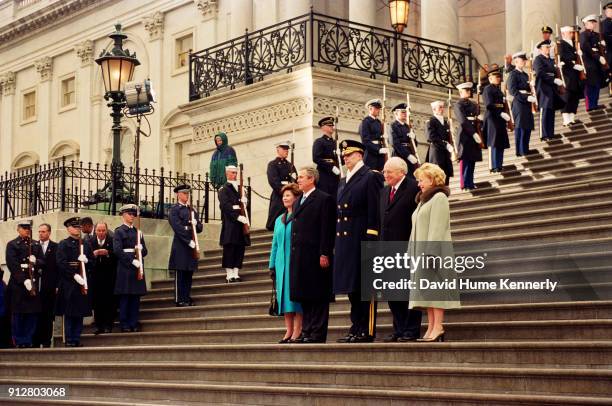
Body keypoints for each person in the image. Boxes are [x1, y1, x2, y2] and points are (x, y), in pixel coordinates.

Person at [334, 140, 384, 343]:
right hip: (347, 241)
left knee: (365, 287)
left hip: (362, 237)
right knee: (352, 288)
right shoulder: (344, 180)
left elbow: (375, 210)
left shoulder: (370, 176)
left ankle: (367, 329)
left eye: (349, 155)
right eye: (344, 156)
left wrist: (372, 238)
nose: (345, 158)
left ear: (360, 155)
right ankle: (356, 327)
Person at [409, 163, 460, 342]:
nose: (418, 184)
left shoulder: (439, 197)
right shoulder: (424, 200)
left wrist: (431, 254)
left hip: (433, 253)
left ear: (431, 180)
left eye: (421, 180)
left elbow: (437, 227)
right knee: (428, 291)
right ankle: (431, 326)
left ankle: (438, 326)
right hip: (420, 252)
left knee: (436, 290)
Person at [379, 157, 422, 342]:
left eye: (389, 171)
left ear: (401, 172)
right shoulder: (385, 191)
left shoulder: (413, 188)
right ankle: (398, 328)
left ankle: (411, 329)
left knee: (407, 291)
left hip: (407, 247)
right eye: (384, 171)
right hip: (387, 249)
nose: (385, 174)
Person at [290, 168, 335, 343]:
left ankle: (317, 332)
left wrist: (325, 252)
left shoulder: (324, 199)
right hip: (300, 257)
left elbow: (327, 228)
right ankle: (306, 330)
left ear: (311, 179)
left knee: (318, 296)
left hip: (316, 255)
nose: (298, 180)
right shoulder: (298, 201)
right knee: (305, 296)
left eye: (301, 177)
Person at [269, 183, 304, 343]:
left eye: (288, 195)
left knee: (294, 298)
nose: (285, 198)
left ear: (296, 198)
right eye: (283, 196)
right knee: (283, 298)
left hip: (295, 262)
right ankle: (288, 330)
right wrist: (272, 264)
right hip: (281, 264)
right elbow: (275, 244)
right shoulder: (278, 220)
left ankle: (298, 329)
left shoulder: (300, 215)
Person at [55, 217, 94, 347]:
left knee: (80, 312)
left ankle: (76, 337)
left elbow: (92, 263)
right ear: (68, 228)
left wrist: (87, 261)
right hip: (69, 283)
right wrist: (74, 275)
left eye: (78, 226)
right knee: (70, 312)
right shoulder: (63, 244)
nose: (77, 228)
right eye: (74, 226)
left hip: (82, 282)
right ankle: (70, 339)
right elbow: (61, 263)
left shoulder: (85, 244)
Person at [6, 220, 43, 348]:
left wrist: (36, 261)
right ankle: (19, 340)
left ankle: (28, 339)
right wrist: (23, 280)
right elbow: (13, 265)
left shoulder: (35, 245)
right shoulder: (12, 245)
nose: (27, 230)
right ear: (18, 229)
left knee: (32, 314)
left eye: (28, 228)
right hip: (19, 285)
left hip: (32, 283)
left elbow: (43, 262)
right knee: (19, 314)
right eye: (24, 228)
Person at [113, 204, 148, 333]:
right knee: (125, 297)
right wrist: (132, 260)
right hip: (126, 268)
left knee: (135, 297)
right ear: (123, 215)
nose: (132, 216)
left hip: (137, 267)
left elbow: (145, 251)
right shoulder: (119, 231)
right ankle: (124, 323)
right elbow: (117, 250)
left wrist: (141, 250)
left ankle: (133, 322)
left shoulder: (138, 232)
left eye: (133, 214)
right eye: (129, 214)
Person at [168, 184, 203, 306]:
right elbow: (177, 227)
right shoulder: (174, 209)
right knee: (181, 273)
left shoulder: (191, 210)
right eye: (184, 193)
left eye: (188, 194)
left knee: (189, 272)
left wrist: (196, 224)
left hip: (191, 244)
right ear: (178, 194)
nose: (186, 196)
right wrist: (188, 241)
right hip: (181, 245)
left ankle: (186, 297)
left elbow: (199, 228)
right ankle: (179, 299)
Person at [218, 165, 250, 283]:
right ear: (227, 174)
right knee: (230, 248)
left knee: (239, 248)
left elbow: (242, 206)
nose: (234, 175)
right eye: (232, 173)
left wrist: (245, 202)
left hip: (240, 224)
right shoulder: (224, 189)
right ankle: (229, 274)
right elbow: (225, 206)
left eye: (235, 173)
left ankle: (236, 273)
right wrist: (237, 216)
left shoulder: (241, 188)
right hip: (231, 223)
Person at [534, 40, 565, 141]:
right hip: (543, 88)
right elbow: (540, 73)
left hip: (552, 88)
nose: (548, 49)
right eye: (546, 47)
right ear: (540, 49)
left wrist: (558, 70)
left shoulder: (551, 60)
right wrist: (553, 79)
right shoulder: (538, 59)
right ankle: (544, 135)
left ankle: (551, 134)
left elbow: (554, 72)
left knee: (551, 111)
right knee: (545, 110)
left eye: (549, 47)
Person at [454, 82, 483, 191]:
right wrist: (473, 133)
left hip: (474, 131)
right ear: (461, 92)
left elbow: (476, 117)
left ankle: (470, 182)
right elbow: (462, 120)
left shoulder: (473, 104)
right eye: (466, 90)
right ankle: (464, 184)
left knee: (472, 159)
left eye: (469, 90)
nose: (469, 92)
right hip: (465, 134)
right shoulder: (458, 105)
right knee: (465, 160)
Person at [33, 223, 58, 347]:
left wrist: (57, 285)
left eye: (43, 232)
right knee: (36, 314)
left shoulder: (55, 247)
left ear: (49, 232)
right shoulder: (33, 246)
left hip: (49, 286)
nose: (41, 234)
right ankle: (35, 340)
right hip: (36, 286)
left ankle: (46, 340)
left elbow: (58, 267)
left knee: (48, 315)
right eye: (39, 232)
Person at [90, 222, 117, 334]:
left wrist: (107, 254)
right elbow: (86, 257)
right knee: (97, 301)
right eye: (99, 230)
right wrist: (94, 254)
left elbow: (116, 255)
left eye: (103, 230)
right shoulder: (90, 241)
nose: (101, 233)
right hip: (95, 276)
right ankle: (98, 325)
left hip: (108, 275)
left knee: (108, 301)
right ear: (95, 231)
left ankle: (108, 325)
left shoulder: (112, 240)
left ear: (106, 231)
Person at [506, 53, 536, 156]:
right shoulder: (513, 74)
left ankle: (525, 148)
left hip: (526, 102)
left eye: (524, 60)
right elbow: (512, 91)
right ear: (515, 62)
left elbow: (527, 89)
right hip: (519, 103)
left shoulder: (525, 74)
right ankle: (521, 150)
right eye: (521, 60)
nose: (523, 61)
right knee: (521, 127)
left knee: (527, 126)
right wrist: (526, 97)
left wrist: (531, 85)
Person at [482, 68, 510, 172]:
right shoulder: (488, 89)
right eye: (496, 77)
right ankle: (493, 166)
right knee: (493, 143)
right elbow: (489, 104)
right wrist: (500, 113)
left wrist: (505, 113)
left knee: (500, 142)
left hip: (500, 119)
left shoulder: (498, 90)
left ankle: (499, 164)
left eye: (499, 77)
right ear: (490, 79)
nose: (498, 79)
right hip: (492, 118)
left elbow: (503, 105)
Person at [580, 14, 610, 111]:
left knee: (596, 84)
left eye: (594, 22)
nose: (593, 24)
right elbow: (585, 47)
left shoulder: (597, 35)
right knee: (590, 85)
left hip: (597, 64)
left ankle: (594, 104)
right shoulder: (584, 35)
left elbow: (601, 48)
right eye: (591, 23)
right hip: (589, 64)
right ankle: (590, 106)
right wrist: (597, 56)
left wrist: (603, 45)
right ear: (586, 24)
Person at [266, 141, 297, 231]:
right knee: (277, 220)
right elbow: (273, 181)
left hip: (291, 195)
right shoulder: (273, 164)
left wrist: (293, 192)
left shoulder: (290, 165)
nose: (286, 151)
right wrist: (285, 192)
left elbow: (295, 179)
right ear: (278, 149)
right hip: (279, 195)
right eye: (284, 149)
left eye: (287, 149)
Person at [558, 26, 586, 126]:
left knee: (574, 97)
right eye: (569, 33)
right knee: (567, 96)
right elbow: (562, 57)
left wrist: (578, 53)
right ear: (563, 34)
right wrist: (574, 65)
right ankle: (566, 119)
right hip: (567, 75)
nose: (572, 34)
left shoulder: (573, 44)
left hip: (575, 75)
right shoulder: (561, 44)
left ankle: (572, 118)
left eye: (571, 33)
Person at [425, 101, 454, 184]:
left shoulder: (445, 122)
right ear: (434, 110)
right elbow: (431, 137)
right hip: (436, 152)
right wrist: (445, 144)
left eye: (442, 107)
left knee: (446, 174)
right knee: (437, 175)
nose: (442, 109)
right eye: (440, 107)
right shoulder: (431, 121)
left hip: (445, 153)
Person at [312, 116, 341, 198]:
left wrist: (341, 155)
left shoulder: (336, 142)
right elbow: (316, 158)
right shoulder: (319, 142)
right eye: (329, 126)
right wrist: (331, 167)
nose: (332, 127)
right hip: (324, 175)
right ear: (323, 127)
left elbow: (338, 160)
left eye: (332, 125)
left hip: (335, 176)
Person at [390, 103, 419, 177]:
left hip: (410, 154)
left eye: (406, 112)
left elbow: (415, 144)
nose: (405, 114)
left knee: (411, 178)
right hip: (399, 155)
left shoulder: (408, 127)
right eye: (403, 112)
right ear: (396, 113)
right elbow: (395, 143)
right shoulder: (393, 126)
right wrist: (408, 155)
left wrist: (414, 138)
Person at [359, 99, 388, 171]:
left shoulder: (379, 122)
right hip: (371, 154)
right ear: (370, 108)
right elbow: (365, 141)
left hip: (380, 153)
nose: (378, 110)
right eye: (376, 108)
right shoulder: (365, 122)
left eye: (379, 108)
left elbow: (379, 137)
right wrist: (378, 150)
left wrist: (383, 137)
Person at [603, 3, 612, 95]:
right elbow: (606, 36)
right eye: (609, 11)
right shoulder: (605, 23)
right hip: (610, 51)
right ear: (606, 12)